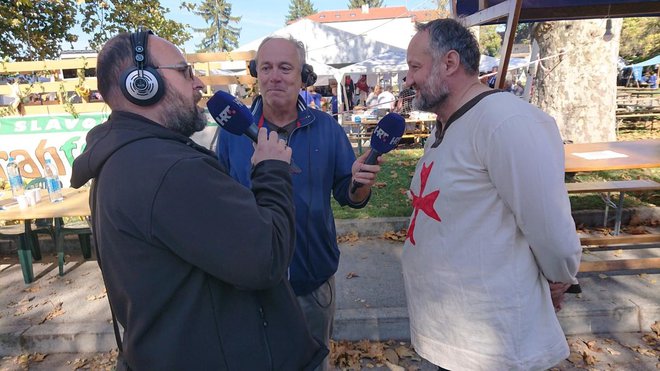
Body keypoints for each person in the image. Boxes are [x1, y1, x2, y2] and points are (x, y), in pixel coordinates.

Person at [69, 30, 327, 370]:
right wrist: (272, 171)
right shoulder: (169, 170)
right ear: (142, 84)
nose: (199, 83)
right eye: (186, 71)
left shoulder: (131, 158)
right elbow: (267, 255)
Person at [401, 18, 581, 371]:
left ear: (449, 63)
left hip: (493, 349)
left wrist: (560, 275)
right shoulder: (449, 126)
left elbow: (549, 226)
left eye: (415, 67)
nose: (408, 79)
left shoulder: (506, 122)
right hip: (451, 336)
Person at [217, 35, 382, 371]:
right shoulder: (232, 133)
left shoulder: (328, 129)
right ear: (256, 73)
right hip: (250, 287)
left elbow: (349, 196)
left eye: (284, 67)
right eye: (266, 67)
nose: (274, 76)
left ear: (302, 75)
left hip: (312, 286)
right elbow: (219, 201)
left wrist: (359, 185)